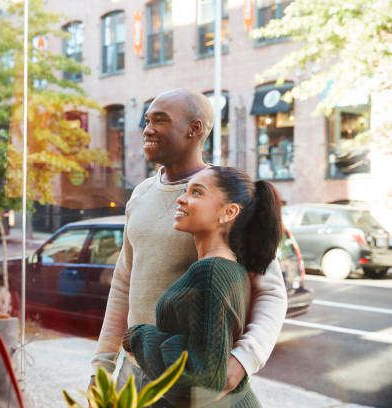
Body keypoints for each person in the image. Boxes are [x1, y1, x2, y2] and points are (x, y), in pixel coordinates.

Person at [90, 89, 287, 400]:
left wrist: (243, 360)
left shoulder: (224, 198)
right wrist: (102, 366)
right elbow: (123, 283)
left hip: (186, 380)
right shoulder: (140, 194)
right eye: (147, 120)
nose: (148, 129)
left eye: (160, 120)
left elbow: (270, 290)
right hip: (133, 371)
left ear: (194, 130)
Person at [123, 166, 283, 407]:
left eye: (196, 192)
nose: (181, 198)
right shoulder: (224, 266)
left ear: (229, 212)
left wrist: (138, 336)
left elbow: (201, 378)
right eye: (187, 190)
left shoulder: (211, 271)